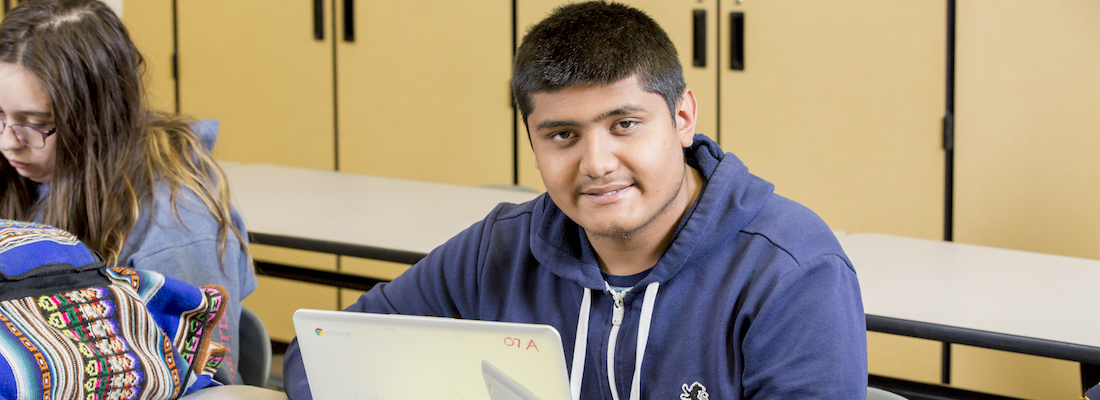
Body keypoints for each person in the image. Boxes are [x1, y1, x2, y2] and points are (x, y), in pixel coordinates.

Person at [284, 1, 866, 398]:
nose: (595, 164)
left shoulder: (791, 274)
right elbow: (318, 361)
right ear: (532, 143)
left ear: (682, 117)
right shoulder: (499, 250)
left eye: (625, 124)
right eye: (562, 135)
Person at [0, 0, 256, 383]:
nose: (8, 143)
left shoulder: (176, 227)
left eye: (34, 124)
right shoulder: (23, 171)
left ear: (96, 119)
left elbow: (204, 382)